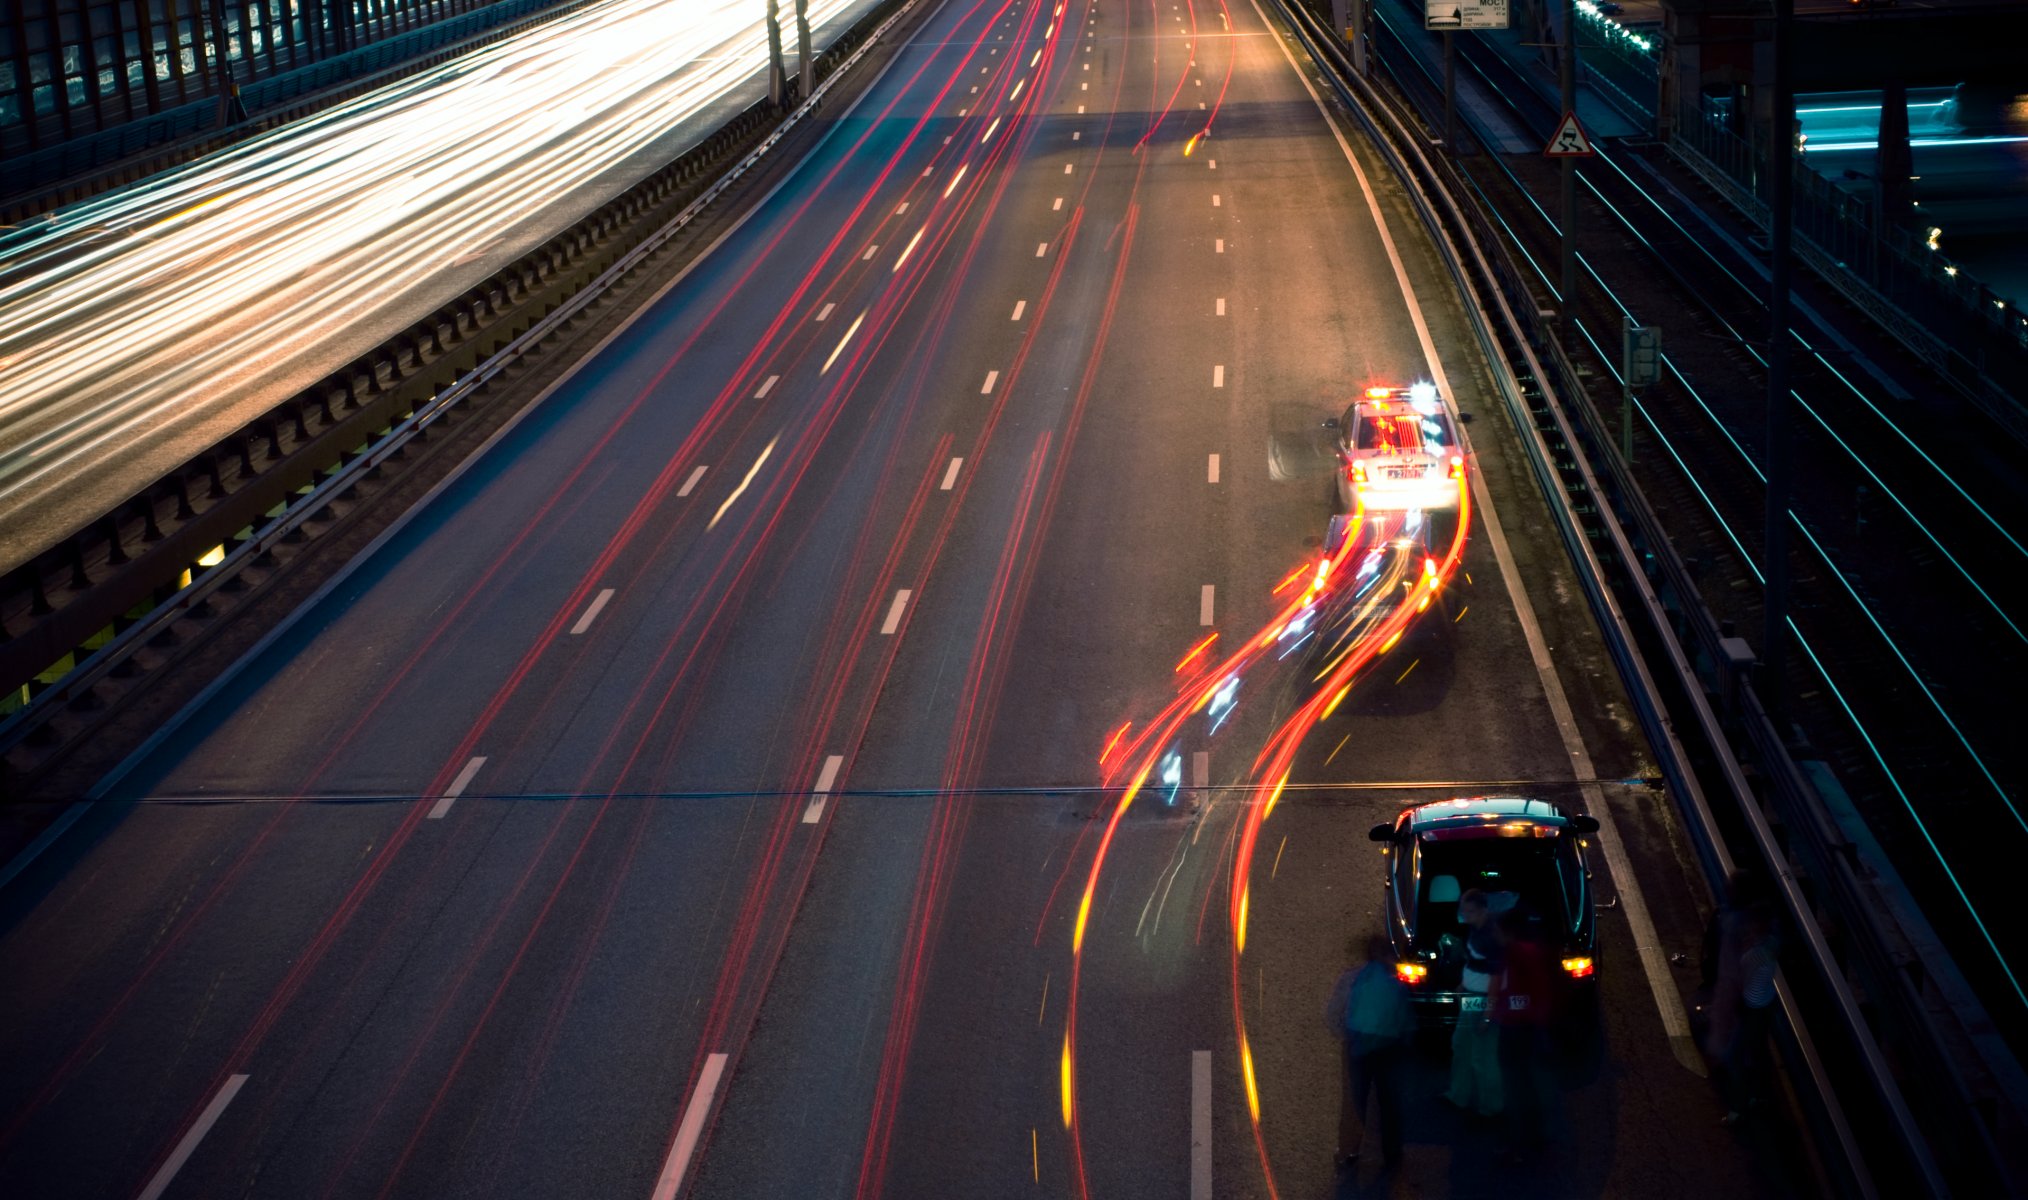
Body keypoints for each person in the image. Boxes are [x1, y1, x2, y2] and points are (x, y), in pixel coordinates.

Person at [1326, 934, 1415, 1169]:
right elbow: (1406, 1020)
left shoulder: (1352, 978)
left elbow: (1333, 1013)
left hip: (1358, 1046)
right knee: (1389, 1102)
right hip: (1389, 1048)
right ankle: (1392, 1154)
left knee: (1355, 1101)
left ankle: (1349, 1150)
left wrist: (1346, 1035)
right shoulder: (1396, 982)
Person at [1492, 907, 1555, 1162]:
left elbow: (1524, 995)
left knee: (1515, 1087)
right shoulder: (1522, 952)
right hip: (1521, 1028)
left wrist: (1503, 1012)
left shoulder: (1517, 955)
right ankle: (1533, 1139)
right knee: (1524, 1085)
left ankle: (1517, 1144)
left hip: (1517, 1030)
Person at [1443, 889, 1503, 1118]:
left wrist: (1488, 1014)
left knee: (1483, 1057)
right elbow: (1474, 962)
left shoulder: (1491, 936)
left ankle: (1491, 1108)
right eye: (1463, 909)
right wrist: (1463, 984)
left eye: (1468, 911)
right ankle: (1458, 1095)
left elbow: (1497, 978)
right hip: (1471, 996)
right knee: (1462, 1045)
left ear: (1482, 910)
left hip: (1481, 1000)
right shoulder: (1476, 928)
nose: (1463, 915)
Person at [1721, 905, 1780, 1124]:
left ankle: (1738, 1109)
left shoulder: (1755, 955)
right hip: (1765, 1003)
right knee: (1757, 1051)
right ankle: (1759, 1096)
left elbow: (1740, 980)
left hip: (1751, 1009)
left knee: (1734, 1056)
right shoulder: (1771, 944)